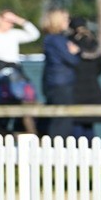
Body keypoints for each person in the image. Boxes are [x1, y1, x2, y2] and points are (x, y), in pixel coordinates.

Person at [0, 9, 40, 133]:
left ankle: (30, 134)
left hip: (16, 75)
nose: (11, 24)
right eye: (8, 21)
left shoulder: (13, 34)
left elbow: (34, 34)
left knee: (26, 104)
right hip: (0, 77)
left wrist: (19, 20)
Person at [40, 8, 79, 139]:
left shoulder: (51, 39)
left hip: (55, 82)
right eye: (65, 19)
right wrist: (74, 52)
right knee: (62, 120)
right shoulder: (57, 40)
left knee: (60, 119)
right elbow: (71, 59)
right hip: (61, 83)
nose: (68, 22)